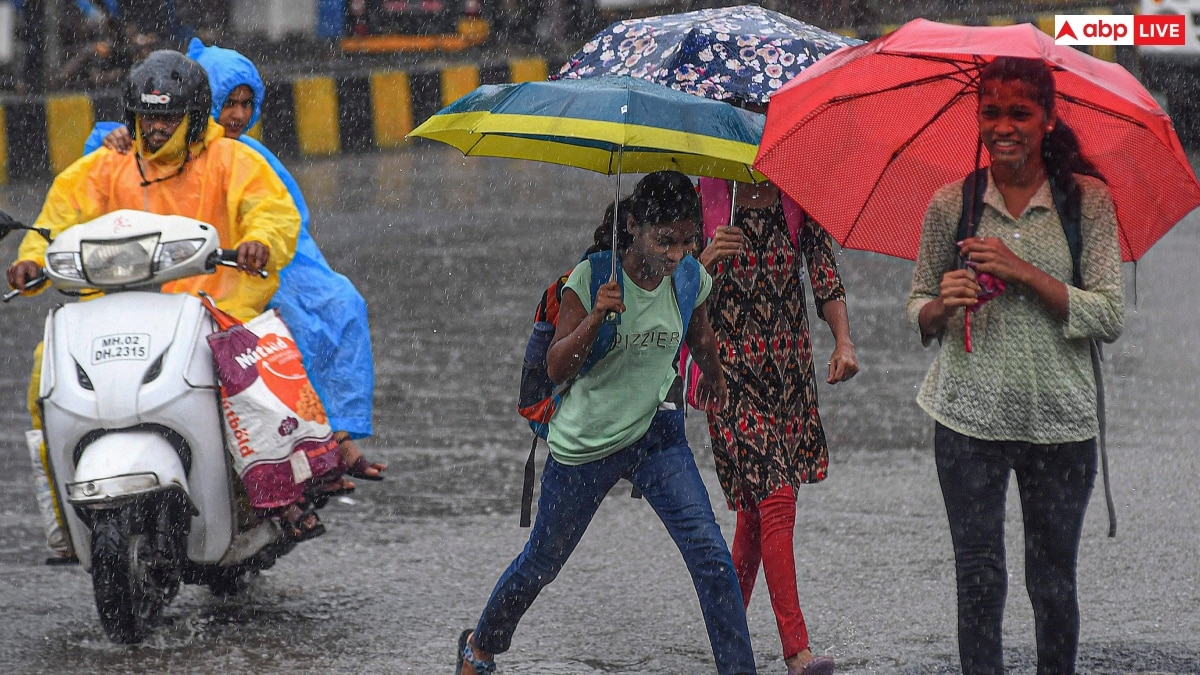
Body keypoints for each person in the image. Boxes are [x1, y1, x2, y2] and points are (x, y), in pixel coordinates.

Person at [6, 49, 319, 545]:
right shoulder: (108, 165)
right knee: (46, 372)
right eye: (147, 116)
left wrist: (261, 242)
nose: (155, 128)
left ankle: (277, 500)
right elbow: (58, 219)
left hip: (215, 307)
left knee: (248, 381)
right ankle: (64, 524)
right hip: (116, 311)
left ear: (194, 118)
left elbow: (271, 212)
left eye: (168, 117)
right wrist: (31, 261)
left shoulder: (233, 160)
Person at [457, 171, 758, 675]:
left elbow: (700, 334)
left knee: (710, 554)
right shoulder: (593, 277)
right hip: (586, 442)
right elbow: (556, 366)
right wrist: (597, 316)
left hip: (657, 436)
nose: (677, 254)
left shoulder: (688, 277)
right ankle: (480, 647)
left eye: (688, 240)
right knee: (542, 563)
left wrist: (716, 376)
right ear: (635, 227)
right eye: (666, 240)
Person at [906, 56, 1124, 674]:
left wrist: (1021, 271)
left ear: (1048, 118)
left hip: (1061, 423)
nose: (1004, 127)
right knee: (978, 578)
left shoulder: (1088, 203)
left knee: (1052, 583)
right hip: (966, 417)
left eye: (1020, 113)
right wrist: (940, 308)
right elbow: (919, 303)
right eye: (991, 112)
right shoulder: (954, 203)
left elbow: (1107, 316)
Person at [91, 37, 385, 486]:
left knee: (333, 307)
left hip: (241, 274)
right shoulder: (139, 143)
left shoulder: (246, 156)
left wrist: (263, 246)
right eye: (229, 102)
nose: (239, 115)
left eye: (248, 104)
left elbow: (280, 219)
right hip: (162, 283)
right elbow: (86, 191)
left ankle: (325, 447)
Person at [695, 172, 857, 675]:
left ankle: (731, 645)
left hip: (787, 375)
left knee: (754, 514)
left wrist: (844, 341)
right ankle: (797, 652)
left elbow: (824, 275)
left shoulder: (798, 192)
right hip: (725, 376)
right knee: (777, 497)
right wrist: (703, 261)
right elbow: (671, 289)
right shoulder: (704, 197)